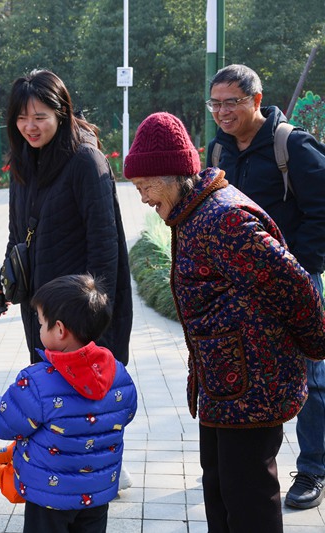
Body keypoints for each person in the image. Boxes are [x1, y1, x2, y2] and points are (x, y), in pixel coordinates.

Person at [125, 111, 325, 533]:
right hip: (225, 387)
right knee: (220, 494)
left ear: (175, 174)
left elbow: (296, 289)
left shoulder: (223, 219)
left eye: (145, 186)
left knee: (248, 501)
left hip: (253, 389)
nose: (142, 197)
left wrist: (314, 347)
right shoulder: (191, 213)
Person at [205, 64, 325, 510]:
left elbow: (321, 212)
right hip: (239, 288)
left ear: (256, 100)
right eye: (215, 103)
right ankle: (257, 464)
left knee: (313, 378)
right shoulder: (219, 149)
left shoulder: (291, 144)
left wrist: (298, 268)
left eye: (231, 102)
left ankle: (313, 467)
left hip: (293, 280)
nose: (221, 111)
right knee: (253, 372)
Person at [0, 274, 137, 533]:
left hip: (49, 497)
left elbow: (3, 422)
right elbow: (127, 413)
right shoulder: (118, 373)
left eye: (42, 323)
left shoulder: (37, 381)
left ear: (59, 329)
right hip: (98, 493)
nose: (39, 328)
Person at [0, 69, 133, 367]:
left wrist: (92, 328)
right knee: (49, 397)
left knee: (82, 406)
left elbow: (105, 250)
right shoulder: (22, 163)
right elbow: (17, 236)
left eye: (40, 117)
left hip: (79, 322)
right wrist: (3, 283)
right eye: (21, 118)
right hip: (39, 313)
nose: (30, 127)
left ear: (61, 113)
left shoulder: (86, 162)